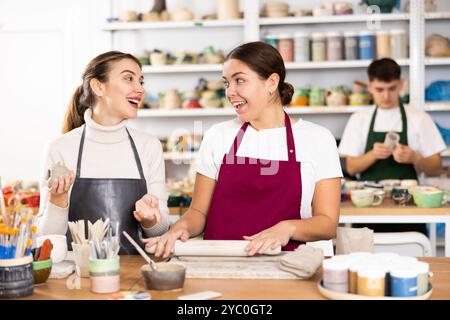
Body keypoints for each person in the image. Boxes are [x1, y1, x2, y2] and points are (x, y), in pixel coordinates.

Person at [144, 41, 343, 258]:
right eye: (227, 83)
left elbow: (327, 224)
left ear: (272, 82)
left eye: (240, 81)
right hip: (223, 265)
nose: (230, 92)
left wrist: (288, 228)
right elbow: (198, 212)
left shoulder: (318, 139)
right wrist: (180, 229)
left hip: (291, 265)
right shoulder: (218, 136)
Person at [37, 51, 170, 254]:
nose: (139, 89)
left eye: (141, 81)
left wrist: (151, 219)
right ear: (98, 86)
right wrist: (58, 201)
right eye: (129, 79)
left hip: (133, 274)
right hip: (76, 276)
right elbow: (47, 240)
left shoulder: (149, 146)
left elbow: (160, 231)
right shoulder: (60, 148)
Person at [339, 58, 446, 233]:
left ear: (401, 84)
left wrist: (415, 158)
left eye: (392, 89)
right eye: (380, 90)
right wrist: (372, 155)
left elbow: (436, 169)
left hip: (409, 207)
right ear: (370, 86)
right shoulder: (359, 119)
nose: (386, 96)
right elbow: (351, 167)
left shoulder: (419, 118)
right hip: (368, 207)